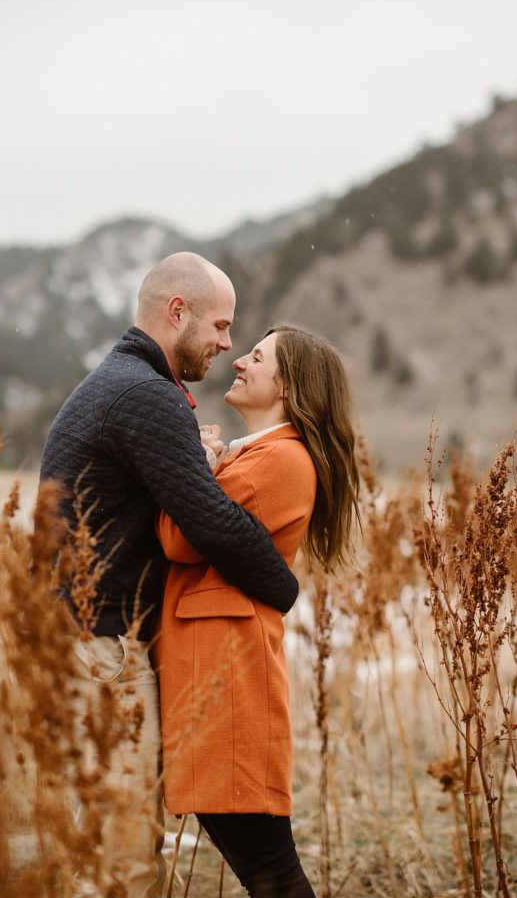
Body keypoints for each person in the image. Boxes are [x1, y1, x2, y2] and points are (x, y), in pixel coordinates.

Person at [39, 253, 299, 898]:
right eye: (219, 324)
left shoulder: (123, 383)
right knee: (120, 859)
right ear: (175, 312)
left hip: (88, 643)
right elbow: (208, 523)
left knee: (116, 843)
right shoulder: (143, 394)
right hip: (102, 650)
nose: (227, 343)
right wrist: (285, 588)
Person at [157, 324, 361, 898]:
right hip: (217, 669)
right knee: (266, 865)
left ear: (290, 386)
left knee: (271, 870)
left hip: (228, 679)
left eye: (258, 356)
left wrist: (193, 463)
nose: (239, 359)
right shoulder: (261, 455)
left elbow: (178, 536)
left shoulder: (281, 460)